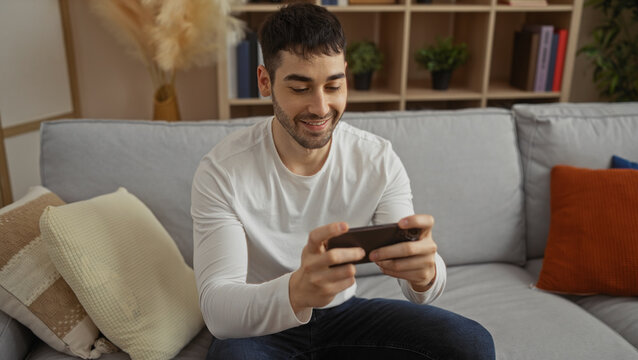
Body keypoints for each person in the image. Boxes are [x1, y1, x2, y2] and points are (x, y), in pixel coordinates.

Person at [191, 3, 495, 359]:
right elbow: (217, 311)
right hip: (260, 323)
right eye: (300, 88)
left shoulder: (377, 160)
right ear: (264, 81)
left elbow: (419, 287)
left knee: (471, 343)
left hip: (344, 314)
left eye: (333, 85)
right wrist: (296, 291)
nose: (321, 107)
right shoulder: (221, 171)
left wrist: (427, 273)